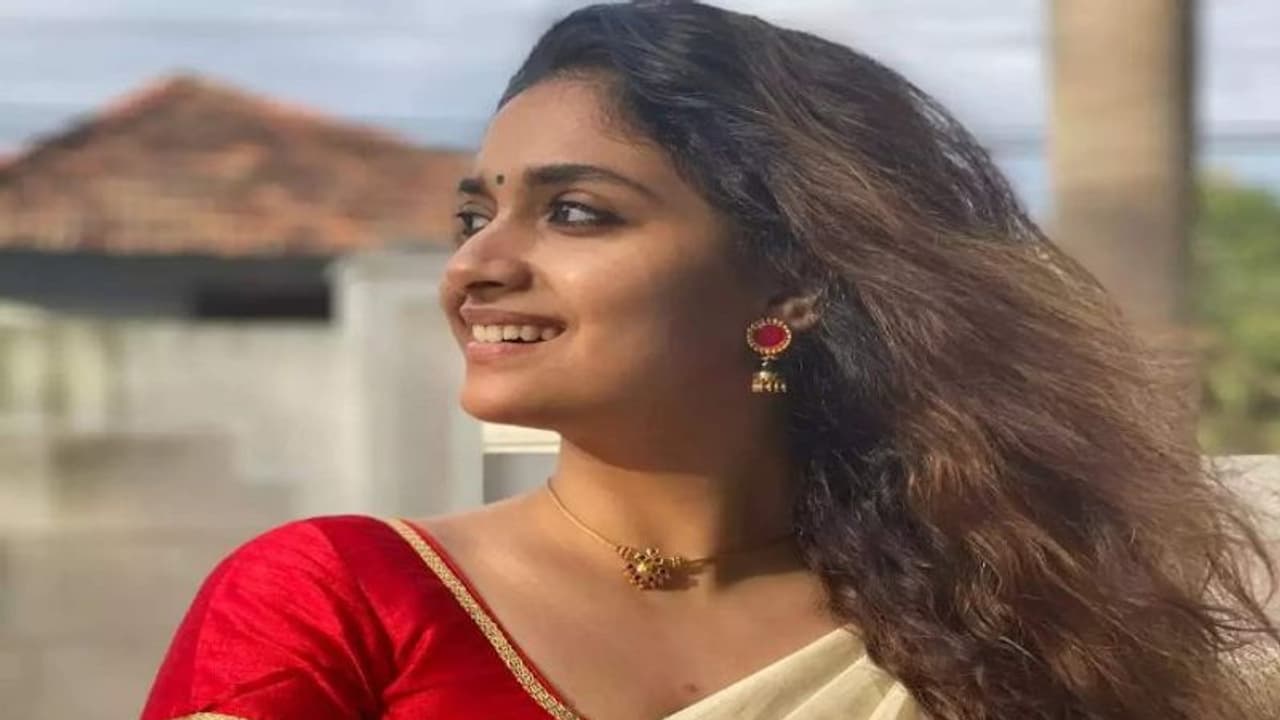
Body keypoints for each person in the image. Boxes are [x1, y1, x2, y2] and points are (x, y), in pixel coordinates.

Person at [141, 2, 1280, 719]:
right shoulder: (342, 601)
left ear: (791, 284)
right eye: (473, 215)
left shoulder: (1011, 619)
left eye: (576, 213)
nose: (478, 265)